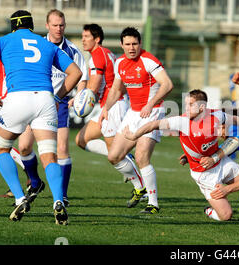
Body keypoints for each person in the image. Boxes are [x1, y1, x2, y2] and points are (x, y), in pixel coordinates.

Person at [0, 10, 82, 225]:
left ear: (13, 26)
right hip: (45, 101)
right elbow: (76, 73)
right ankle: (58, 202)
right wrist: (58, 98)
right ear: (32, 26)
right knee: (49, 156)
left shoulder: (4, 41)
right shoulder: (46, 44)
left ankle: (21, 197)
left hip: (17, 98)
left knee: (0, 147)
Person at [121, 89, 239, 220]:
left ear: (202, 107)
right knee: (226, 215)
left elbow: (234, 119)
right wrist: (134, 136)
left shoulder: (215, 116)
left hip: (221, 162)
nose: (186, 108)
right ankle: (210, 211)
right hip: (203, 173)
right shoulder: (181, 121)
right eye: (185, 104)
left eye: (190, 104)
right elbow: (153, 124)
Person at [17, 9, 88, 207]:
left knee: (62, 148)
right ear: (47, 26)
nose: (59, 29)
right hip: (35, 99)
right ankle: (34, 181)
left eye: (62, 25)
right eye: (55, 25)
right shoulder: (38, 45)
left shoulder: (72, 50)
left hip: (60, 101)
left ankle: (62, 197)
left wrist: (79, 96)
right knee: (24, 146)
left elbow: (82, 78)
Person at [100, 27, 173, 213]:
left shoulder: (148, 60)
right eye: (127, 44)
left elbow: (167, 84)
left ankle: (153, 204)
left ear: (140, 43)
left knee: (141, 156)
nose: (131, 48)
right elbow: (116, 89)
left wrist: (151, 104)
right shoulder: (120, 63)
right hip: (133, 113)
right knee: (114, 156)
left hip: (153, 111)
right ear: (121, 45)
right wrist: (105, 108)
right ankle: (139, 186)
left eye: (134, 44)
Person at [74, 24, 138, 188]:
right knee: (81, 139)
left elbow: (94, 86)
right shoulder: (107, 52)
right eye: (83, 36)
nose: (83, 40)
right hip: (109, 104)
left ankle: (141, 188)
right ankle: (126, 158)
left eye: (87, 37)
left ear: (97, 39)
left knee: (115, 153)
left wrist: (80, 101)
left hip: (113, 105)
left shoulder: (97, 55)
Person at [0, 24, 26, 194]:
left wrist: (1, 97)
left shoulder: (0, 53)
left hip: (5, 102)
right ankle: (16, 186)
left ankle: (26, 166)